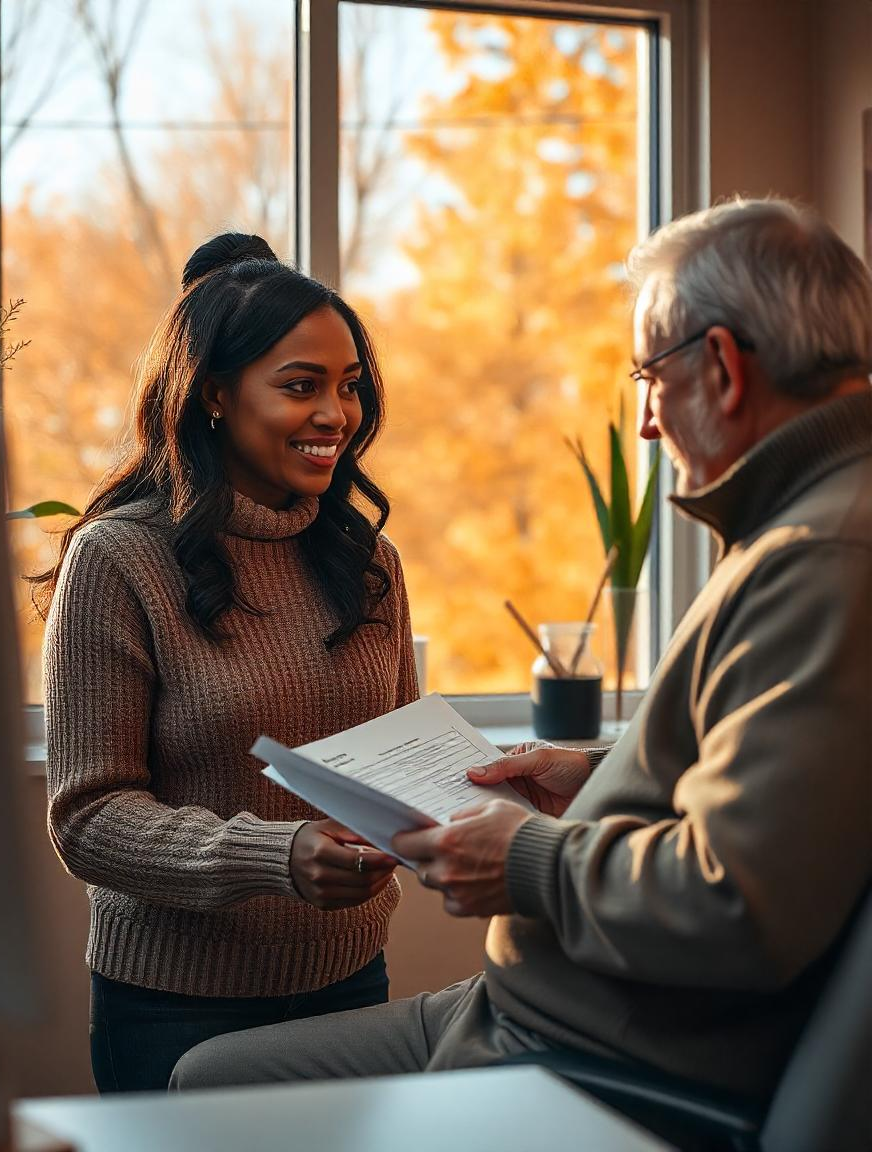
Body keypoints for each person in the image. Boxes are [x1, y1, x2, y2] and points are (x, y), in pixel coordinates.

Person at [171, 198, 872, 1106]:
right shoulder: (809, 525)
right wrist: (596, 776)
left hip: (582, 1054)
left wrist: (528, 859)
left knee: (212, 1097)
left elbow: (740, 904)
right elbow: (772, 793)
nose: (650, 426)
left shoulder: (821, 555)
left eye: (650, 378)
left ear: (725, 368)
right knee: (205, 1078)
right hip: (539, 1008)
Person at [39, 233, 419, 1093]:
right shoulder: (119, 560)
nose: (337, 415)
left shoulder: (369, 562)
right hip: (176, 1006)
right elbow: (88, 817)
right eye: (301, 386)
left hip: (353, 988)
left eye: (349, 386)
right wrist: (275, 857)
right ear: (214, 394)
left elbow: (399, 758)